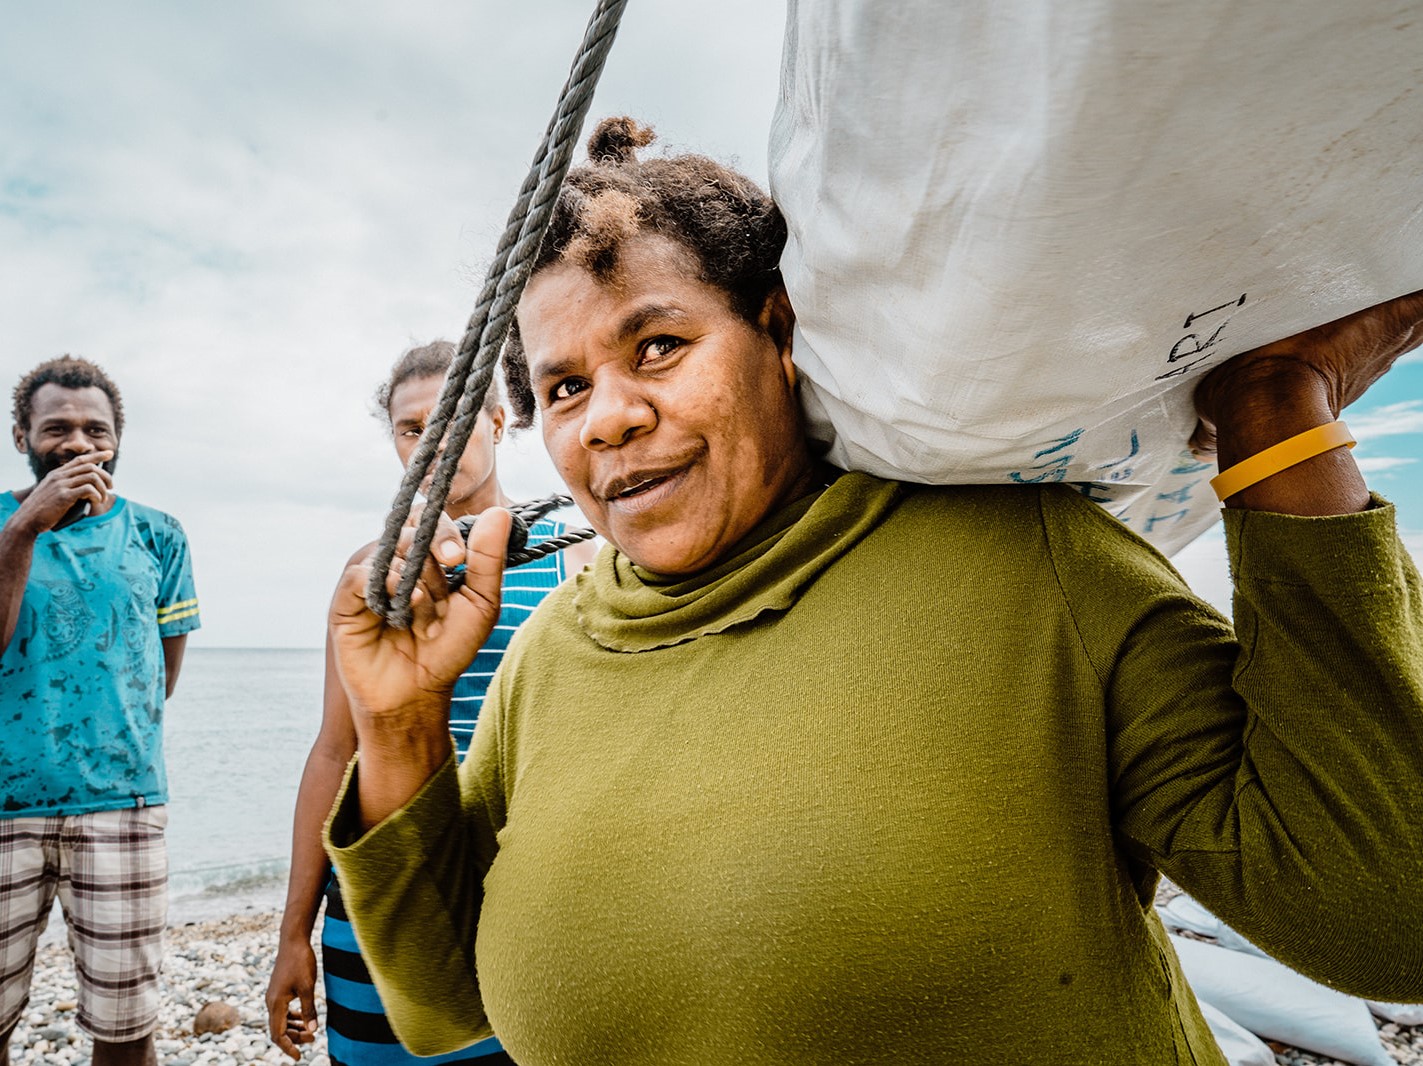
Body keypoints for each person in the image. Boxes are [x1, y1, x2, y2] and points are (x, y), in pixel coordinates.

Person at [323, 119, 1423, 1064]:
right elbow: (440, 1003)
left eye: (657, 346)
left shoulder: (1023, 562)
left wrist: (1275, 410)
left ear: (781, 333)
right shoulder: (551, 653)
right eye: (566, 386)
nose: (605, 415)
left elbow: (1384, 917)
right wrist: (401, 718)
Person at [265, 341, 595, 1065]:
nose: (430, 442)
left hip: (526, 895)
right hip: (380, 900)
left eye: (451, 420)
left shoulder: (580, 559)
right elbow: (333, 751)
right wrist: (292, 934)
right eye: (411, 429)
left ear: (498, 423)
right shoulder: (370, 576)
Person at [0, 356, 200, 1066]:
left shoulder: (160, 535)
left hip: (124, 806)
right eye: (57, 428)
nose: (79, 444)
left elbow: (157, 681)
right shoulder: (1, 524)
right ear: (22, 432)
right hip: (0, 810)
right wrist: (25, 527)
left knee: (125, 1031)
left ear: (117, 440)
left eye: (97, 430)